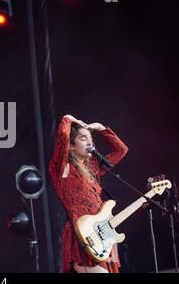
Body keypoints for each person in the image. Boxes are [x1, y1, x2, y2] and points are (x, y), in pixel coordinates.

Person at [49, 114, 128, 273]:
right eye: (83, 138)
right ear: (71, 146)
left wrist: (100, 128)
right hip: (83, 237)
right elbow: (63, 136)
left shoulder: (92, 168)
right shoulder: (63, 168)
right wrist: (68, 118)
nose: (89, 142)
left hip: (103, 236)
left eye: (90, 139)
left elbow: (121, 150)